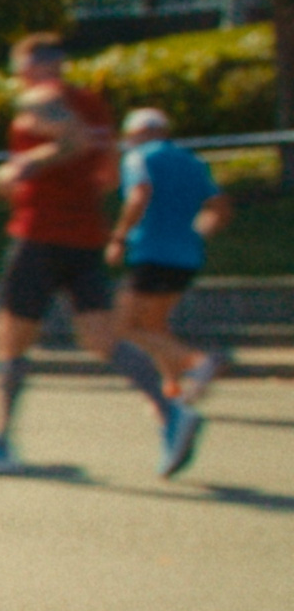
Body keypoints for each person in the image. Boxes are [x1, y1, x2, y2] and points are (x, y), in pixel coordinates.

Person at [0, 35, 198, 475]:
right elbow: (107, 173)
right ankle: (171, 413)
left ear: (33, 66)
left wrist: (21, 168)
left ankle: (0, 441)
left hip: (42, 234)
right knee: (103, 339)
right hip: (85, 235)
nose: (19, 78)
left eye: (20, 69)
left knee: (10, 336)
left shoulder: (40, 98)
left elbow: (75, 141)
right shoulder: (93, 104)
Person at [108, 107, 228, 404]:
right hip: (186, 257)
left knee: (122, 325)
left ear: (141, 133)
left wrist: (119, 237)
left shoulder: (139, 158)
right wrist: (196, 234)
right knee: (155, 324)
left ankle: (197, 363)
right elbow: (219, 207)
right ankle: (172, 387)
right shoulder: (193, 161)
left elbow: (139, 195)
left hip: (151, 252)